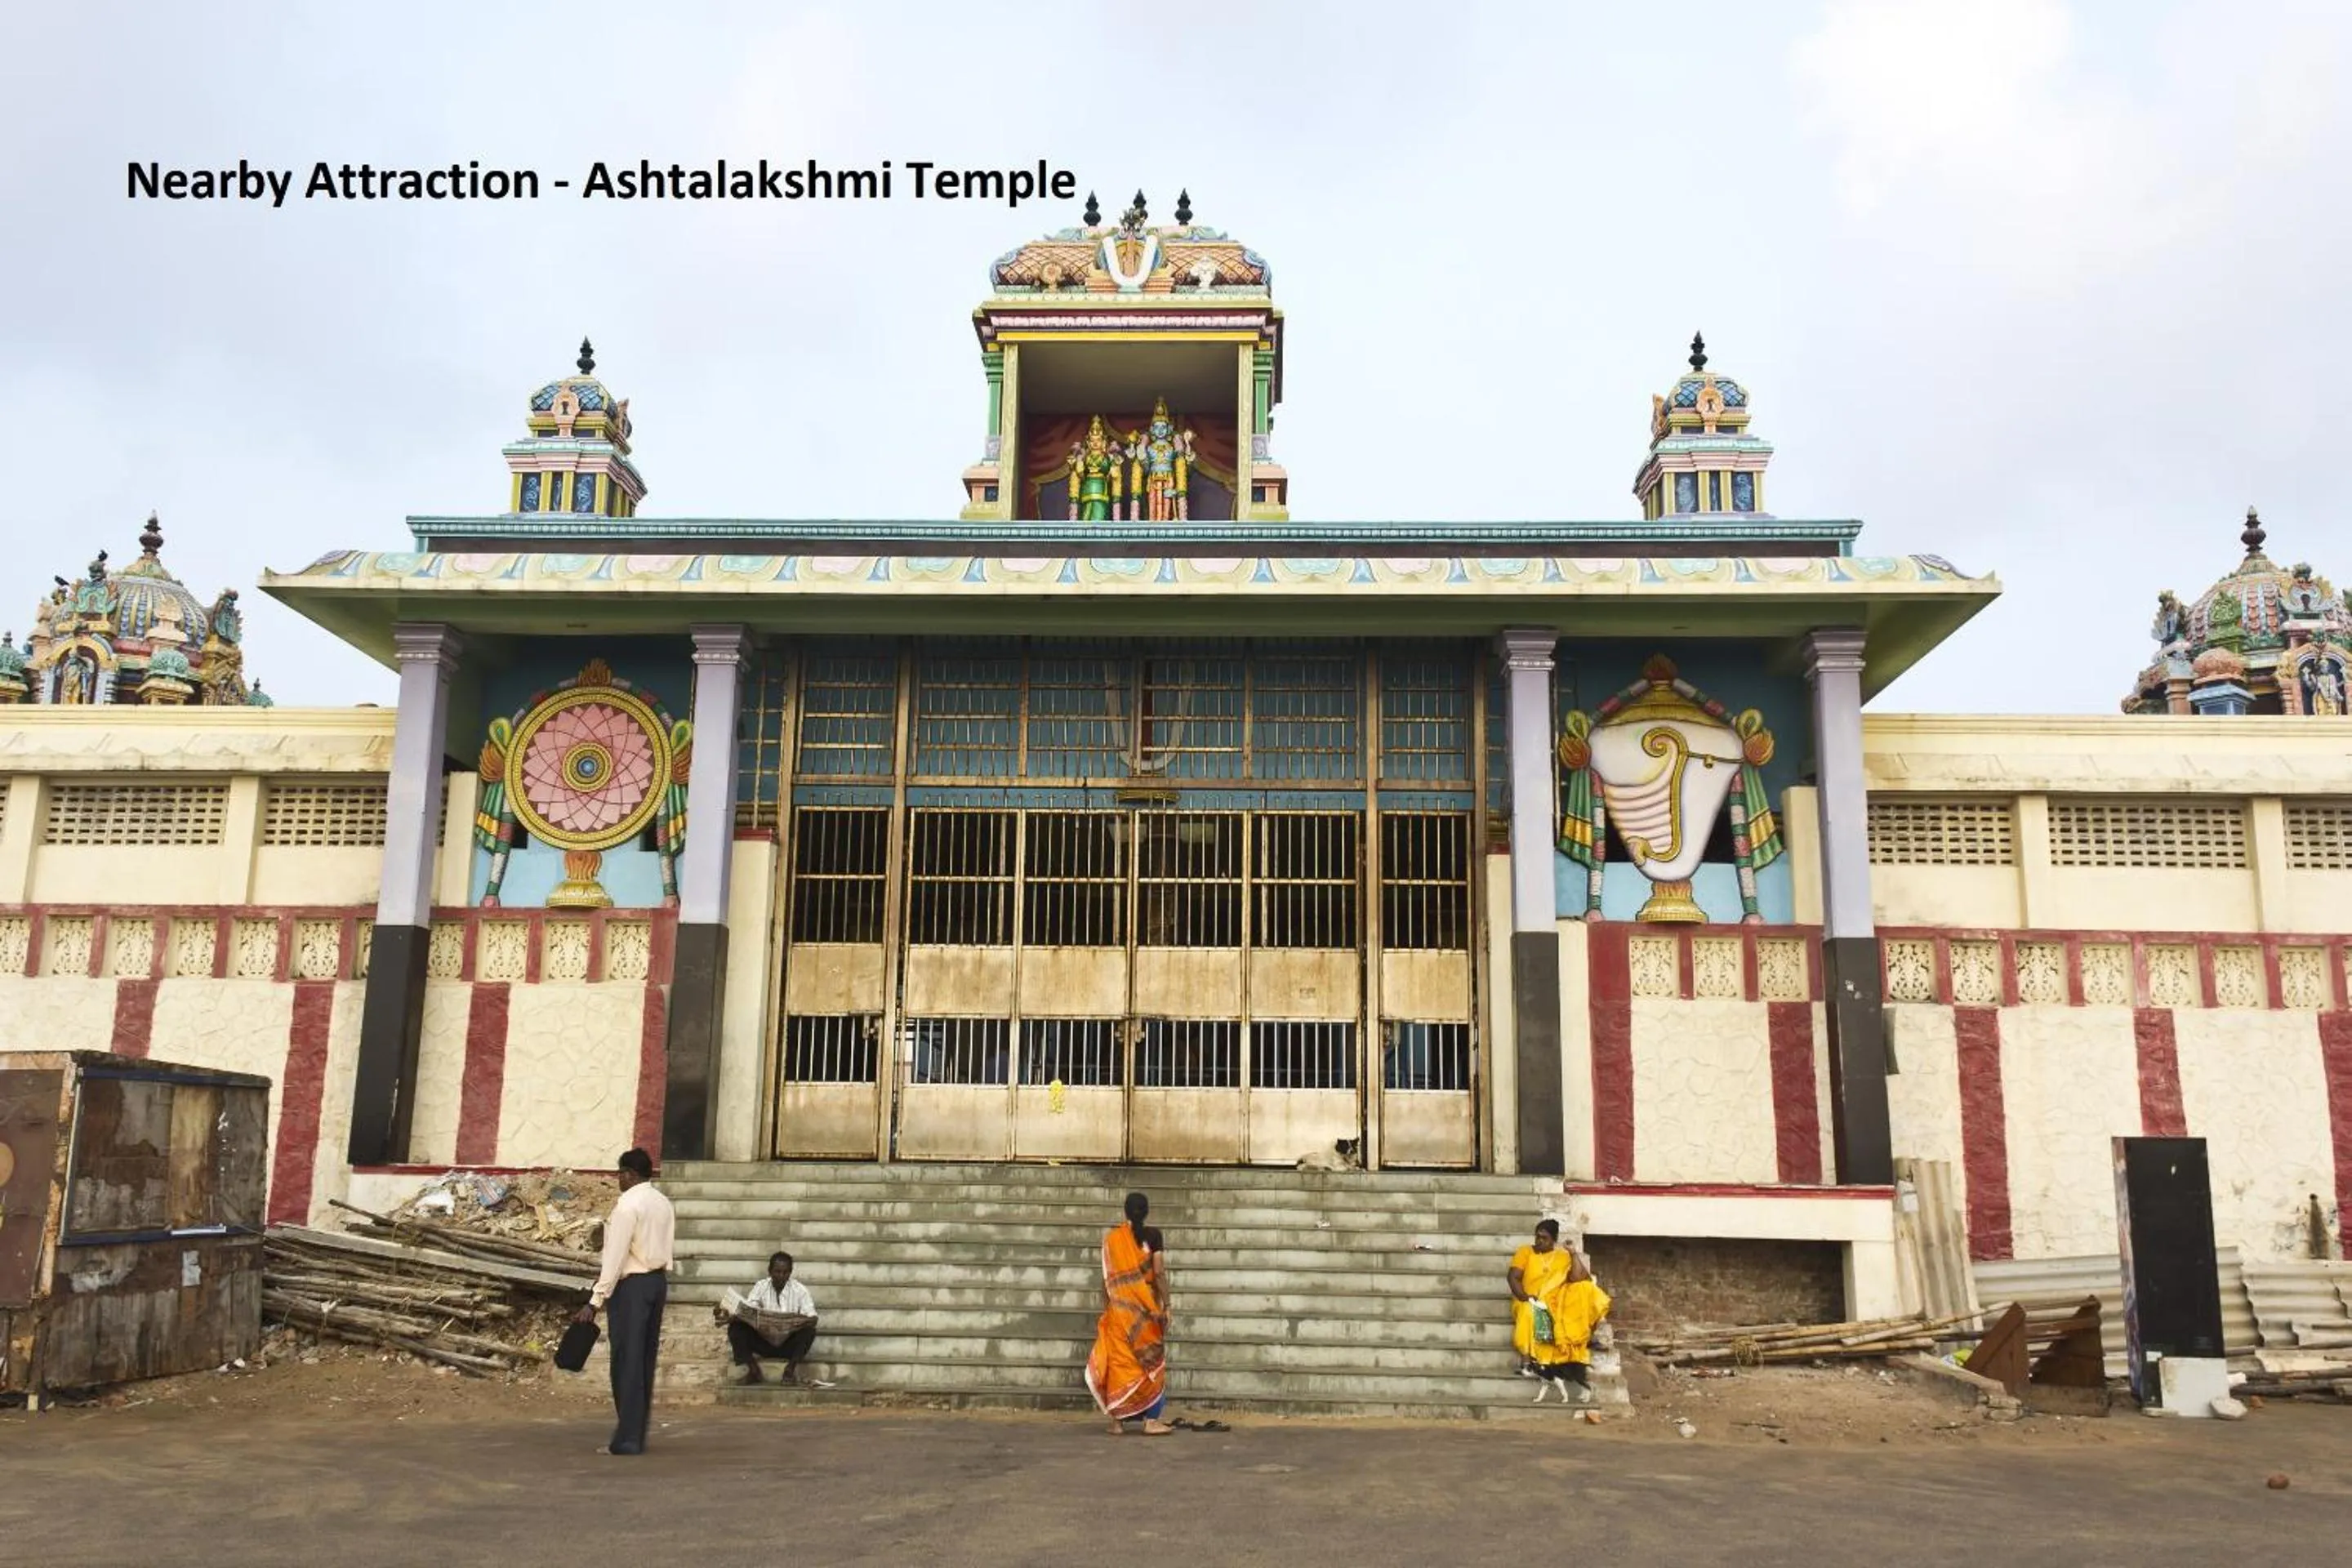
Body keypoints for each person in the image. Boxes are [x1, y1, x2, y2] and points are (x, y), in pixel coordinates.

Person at [574, 1147, 675, 1455]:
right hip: (657, 1282)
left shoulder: (627, 1206)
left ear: (628, 1174)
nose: (619, 1180)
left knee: (626, 1361)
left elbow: (615, 1258)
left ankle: (628, 1439)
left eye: (620, 1174)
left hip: (632, 1286)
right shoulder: (663, 1203)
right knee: (643, 1359)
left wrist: (595, 1299)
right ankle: (635, 1432)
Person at [1085, 1191, 1172, 1436]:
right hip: (1146, 1313)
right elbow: (1159, 1274)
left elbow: (1107, 1280)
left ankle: (1117, 1423)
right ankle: (1151, 1421)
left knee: (1120, 1364)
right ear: (1147, 1211)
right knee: (1151, 1363)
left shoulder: (1113, 1239)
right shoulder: (1154, 1236)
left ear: (1125, 1211)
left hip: (1119, 1311)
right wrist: (1167, 1305)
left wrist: (1109, 1307)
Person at [1508, 1219, 1610, 1405]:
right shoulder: (1525, 1252)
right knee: (1529, 1311)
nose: (1539, 1241)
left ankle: (1584, 1337)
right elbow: (1513, 1277)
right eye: (1537, 1237)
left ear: (1554, 1240)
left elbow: (1581, 1278)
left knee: (1586, 1290)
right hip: (1527, 1299)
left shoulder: (1562, 1256)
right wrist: (1525, 1296)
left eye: (1545, 1238)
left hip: (1555, 1301)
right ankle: (1527, 1361)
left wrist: (1572, 1254)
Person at [717, 1250, 822, 1386]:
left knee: (809, 1332)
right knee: (736, 1328)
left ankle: (790, 1370)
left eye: (786, 1272)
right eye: (777, 1272)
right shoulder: (761, 1286)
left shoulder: (800, 1290)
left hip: (787, 1345)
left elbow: (812, 1316)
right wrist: (735, 1317)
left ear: (790, 1273)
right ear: (770, 1271)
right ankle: (753, 1369)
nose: (781, 1276)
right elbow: (750, 1309)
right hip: (763, 1342)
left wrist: (806, 1321)